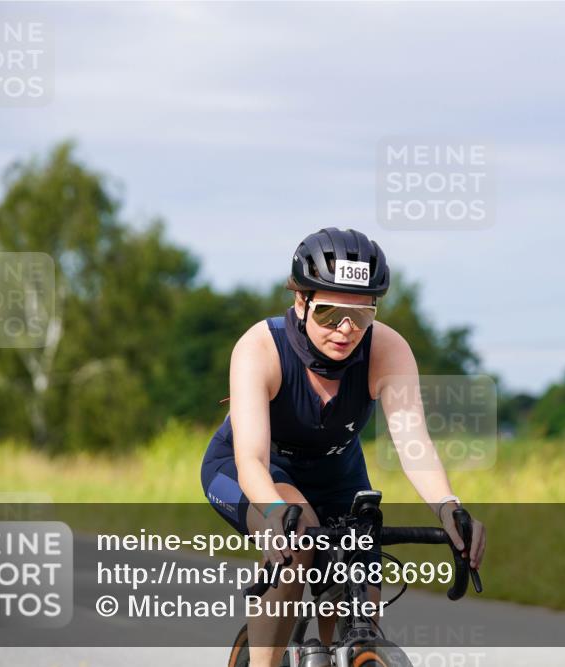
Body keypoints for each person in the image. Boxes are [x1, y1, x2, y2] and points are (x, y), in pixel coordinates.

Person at [200, 227, 486, 667]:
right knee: (297, 543)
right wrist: (275, 516)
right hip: (254, 471)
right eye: (331, 313)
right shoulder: (260, 348)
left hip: (338, 476)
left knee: (359, 596)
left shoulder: (387, 349)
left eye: (362, 314)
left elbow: (413, 443)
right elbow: (251, 460)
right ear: (302, 301)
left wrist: (449, 508)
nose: (347, 329)